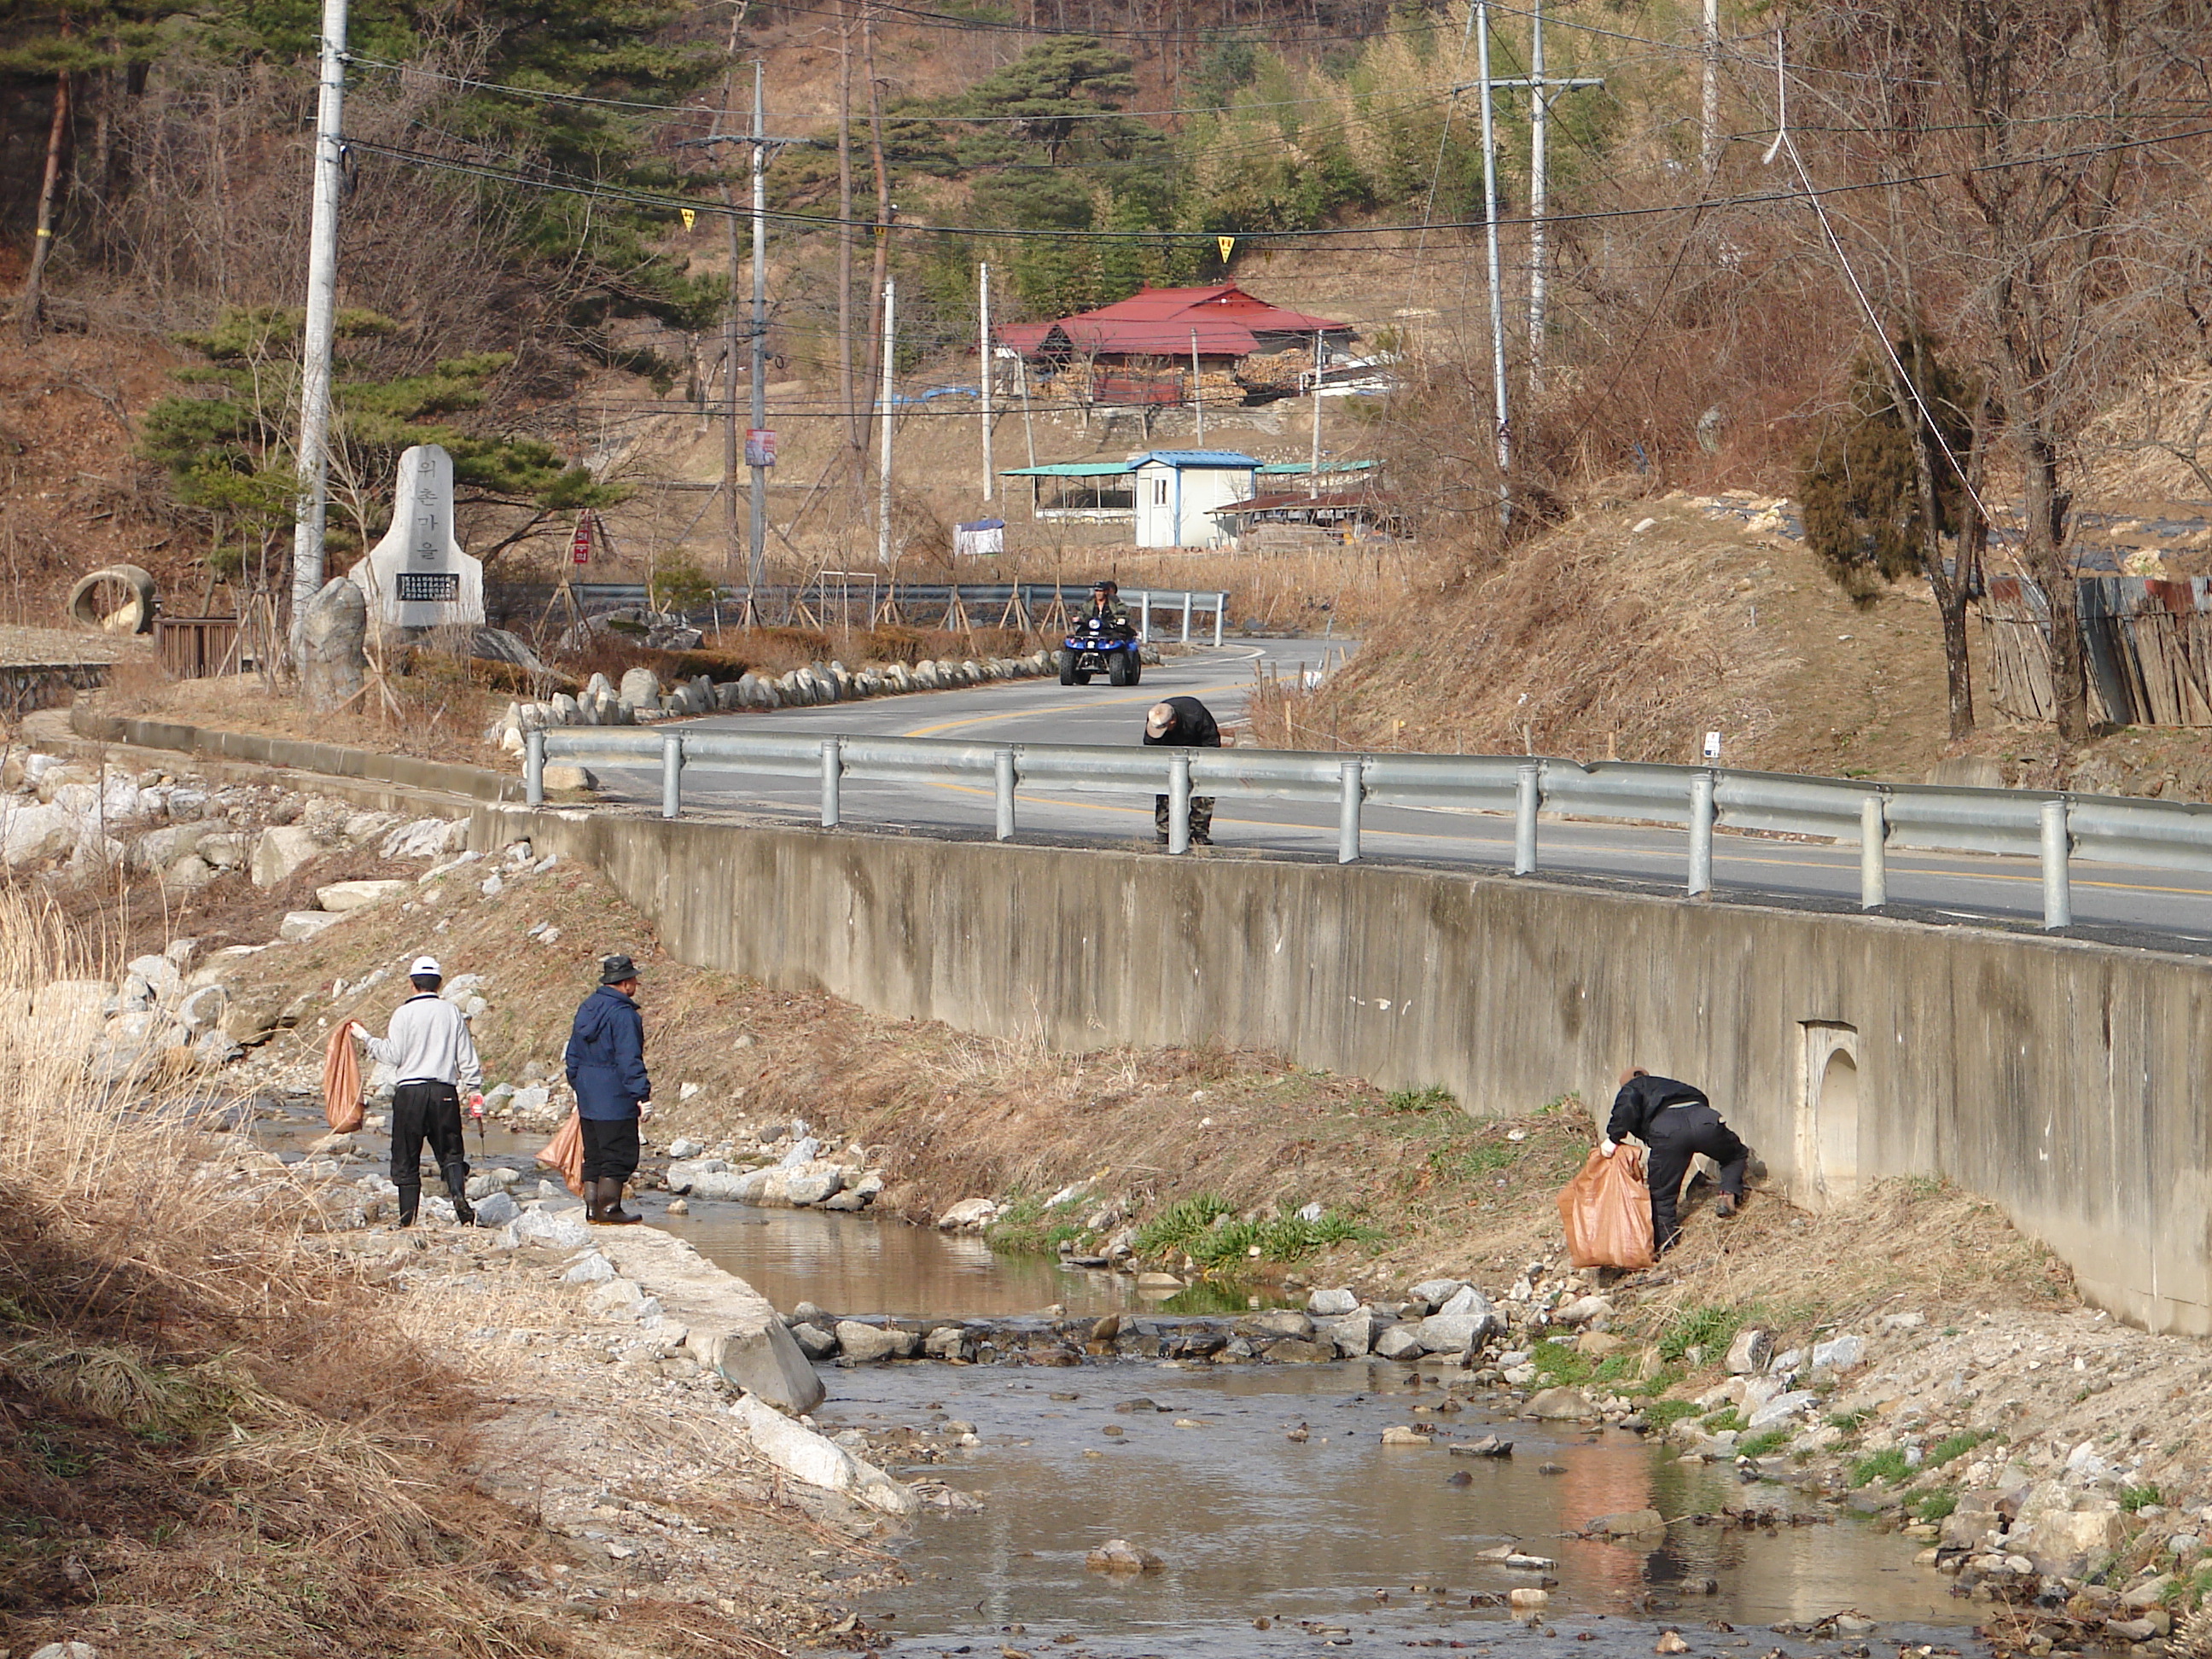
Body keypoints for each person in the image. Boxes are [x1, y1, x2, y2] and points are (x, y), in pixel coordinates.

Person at [351, 955, 482, 1228]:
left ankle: (407, 1221)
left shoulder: (403, 1014)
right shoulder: (451, 1012)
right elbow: (466, 1056)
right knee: (451, 1153)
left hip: (410, 1094)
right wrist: (474, 1089)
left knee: (406, 1156)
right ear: (440, 983)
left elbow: (392, 1055)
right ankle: (458, 1197)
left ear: (412, 984)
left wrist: (364, 1037)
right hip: (444, 1092)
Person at [1602, 1067, 1749, 1253]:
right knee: (1735, 1154)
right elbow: (1701, 1097)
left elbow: (1627, 1106)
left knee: (1662, 1195)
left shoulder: (1634, 1087)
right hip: (1704, 1119)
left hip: (1668, 1131)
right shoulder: (1671, 1085)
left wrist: (1614, 1138)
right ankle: (1728, 1194)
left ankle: (1666, 1244)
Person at [565, 952, 653, 1226]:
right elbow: (629, 1059)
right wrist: (641, 1094)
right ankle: (610, 1209)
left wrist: (578, 1085)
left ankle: (592, 1209)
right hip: (615, 1093)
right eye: (634, 980)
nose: (636, 984)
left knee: (594, 1154)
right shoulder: (624, 1015)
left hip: (588, 1092)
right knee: (620, 1154)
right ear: (625, 984)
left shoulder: (587, 1007)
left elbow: (572, 1055)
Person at [1144, 696, 1221, 846]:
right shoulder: (1155, 716)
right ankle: (1164, 832)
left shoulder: (1196, 715)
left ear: (1172, 721)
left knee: (1204, 792)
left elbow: (1212, 743)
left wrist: (1205, 767)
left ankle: (1198, 832)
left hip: (1199, 750)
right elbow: (1150, 747)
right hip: (1169, 754)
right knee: (1164, 791)